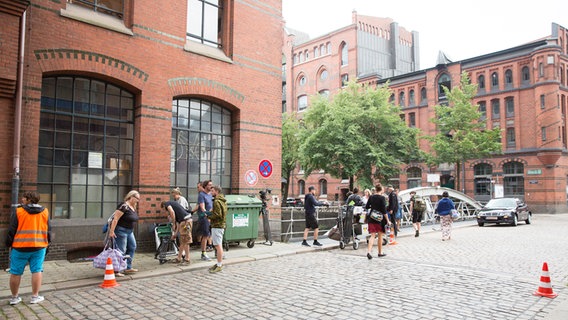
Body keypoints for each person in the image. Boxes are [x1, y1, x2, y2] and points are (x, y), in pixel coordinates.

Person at [6, 191, 51, 305]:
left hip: (20, 247)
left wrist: (8, 244)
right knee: (37, 270)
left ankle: (15, 298)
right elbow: (49, 230)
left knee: (15, 272)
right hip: (39, 246)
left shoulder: (19, 211)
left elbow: (12, 229)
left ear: (29, 200)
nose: (22, 199)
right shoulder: (45, 211)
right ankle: (35, 297)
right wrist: (48, 243)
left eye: (24, 198)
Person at [109, 190, 140, 275]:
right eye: (137, 198)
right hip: (121, 231)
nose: (138, 200)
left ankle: (127, 267)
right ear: (131, 197)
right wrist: (111, 232)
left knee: (132, 247)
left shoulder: (133, 207)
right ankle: (117, 270)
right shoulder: (123, 206)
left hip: (130, 231)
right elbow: (115, 219)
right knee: (121, 250)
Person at [365, 184, 390, 259]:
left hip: (372, 217)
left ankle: (369, 251)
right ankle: (380, 252)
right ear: (381, 190)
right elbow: (384, 210)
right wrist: (388, 220)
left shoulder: (371, 197)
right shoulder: (382, 198)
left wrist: (373, 207)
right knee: (380, 236)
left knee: (372, 236)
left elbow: (367, 206)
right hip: (380, 219)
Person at [208, 185, 227, 273]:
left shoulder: (216, 201)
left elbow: (218, 215)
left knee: (218, 245)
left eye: (212, 191)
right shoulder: (222, 200)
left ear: (216, 191)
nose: (211, 193)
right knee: (218, 245)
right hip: (221, 225)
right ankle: (219, 263)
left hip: (217, 225)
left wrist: (208, 215)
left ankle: (219, 264)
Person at [197, 180, 214, 260]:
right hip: (204, 218)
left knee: (210, 234)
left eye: (211, 185)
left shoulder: (210, 195)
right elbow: (202, 207)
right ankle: (203, 253)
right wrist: (207, 214)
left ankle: (217, 252)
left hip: (210, 217)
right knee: (205, 235)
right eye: (209, 185)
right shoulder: (201, 195)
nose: (211, 186)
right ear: (205, 186)